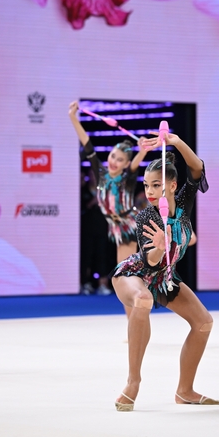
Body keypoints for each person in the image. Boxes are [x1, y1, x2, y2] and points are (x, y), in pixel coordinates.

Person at [111, 133, 218, 411]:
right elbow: (149, 261)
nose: (149, 191)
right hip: (135, 274)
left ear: (172, 185)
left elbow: (197, 169)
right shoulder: (147, 215)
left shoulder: (183, 204)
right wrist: (159, 246)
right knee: (143, 300)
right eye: (146, 185)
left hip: (164, 279)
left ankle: (185, 390)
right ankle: (133, 382)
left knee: (204, 322)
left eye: (156, 185)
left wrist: (176, 142)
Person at [69, 102, 147, 298]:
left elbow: (135, 165)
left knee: (125, 274)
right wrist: (73, 118)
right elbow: (87, 144)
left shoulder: (127, 179)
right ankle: (135, 308)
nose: (114, 161)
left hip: (127, 226)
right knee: (123, 276)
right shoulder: (101, 174)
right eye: (113, 156)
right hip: (113, 226)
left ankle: (139, 305)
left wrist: (143, 150)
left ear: (126, 163)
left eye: (120, 159)